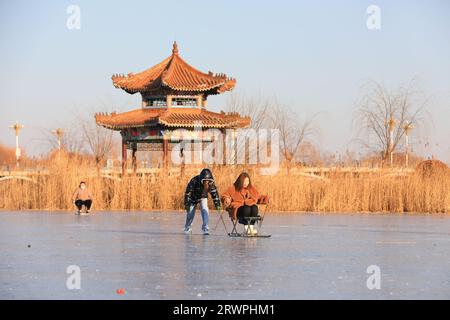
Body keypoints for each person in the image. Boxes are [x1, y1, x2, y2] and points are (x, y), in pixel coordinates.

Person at [184, 168, 221, 235]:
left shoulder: (211, 184)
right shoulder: (194, 180)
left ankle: (205, 227)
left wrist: (217, 205)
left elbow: (214, 194)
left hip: (203, 197)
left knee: (205, 209)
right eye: (205, 181)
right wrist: (187, 203)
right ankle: (188, 227)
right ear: (201, 180)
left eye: (208, 180)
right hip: (193, 198)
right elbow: (188, 192)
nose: (207, 182)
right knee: (190, 213)